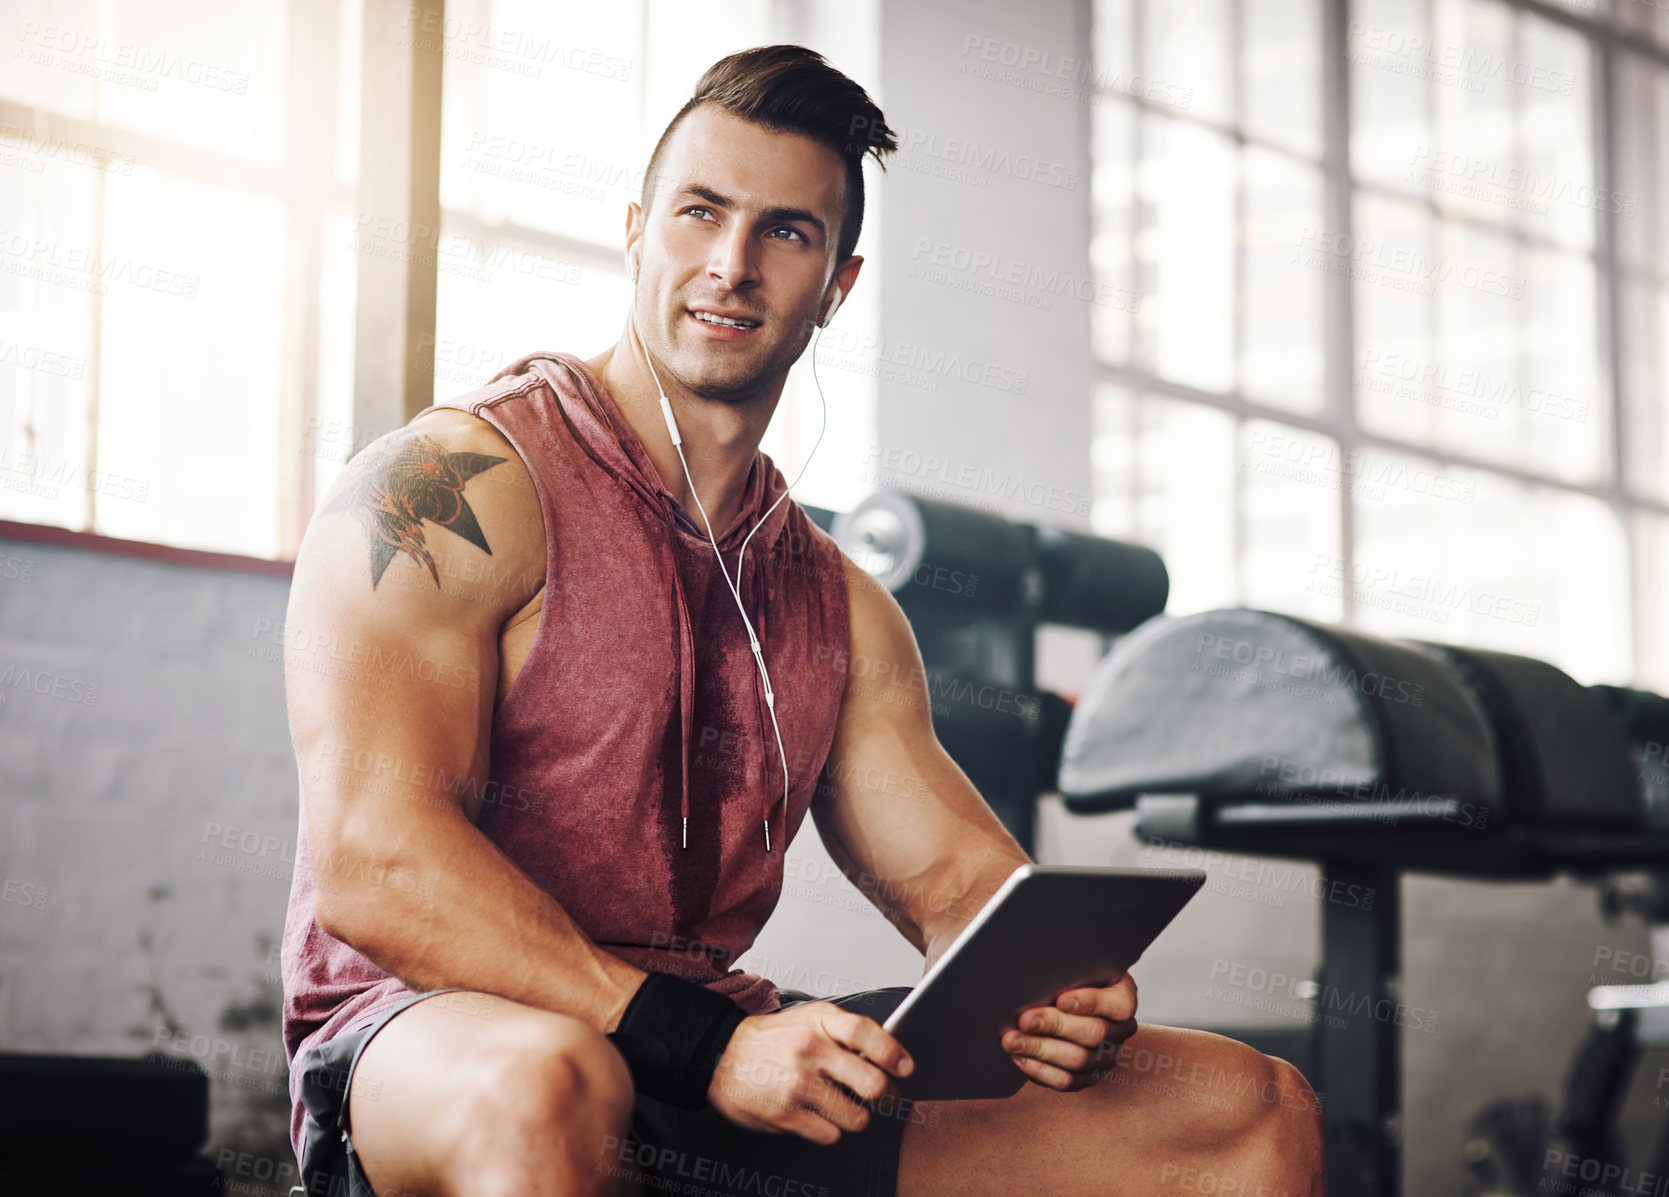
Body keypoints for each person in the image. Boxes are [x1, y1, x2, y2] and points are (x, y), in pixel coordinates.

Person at [279, 43, 1325, 1197]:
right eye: (698, 213)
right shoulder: (452, 488)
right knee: (553, 1081)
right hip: (442, 1039)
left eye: (784, 232)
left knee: (1244, 1109)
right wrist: (700, 1043)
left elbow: (956, 885)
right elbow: (375, 865)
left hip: (718, 1059)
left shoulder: (834, 602)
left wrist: (1055, 990)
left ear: (838, 283)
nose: (729, 265)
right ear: (637, 230)